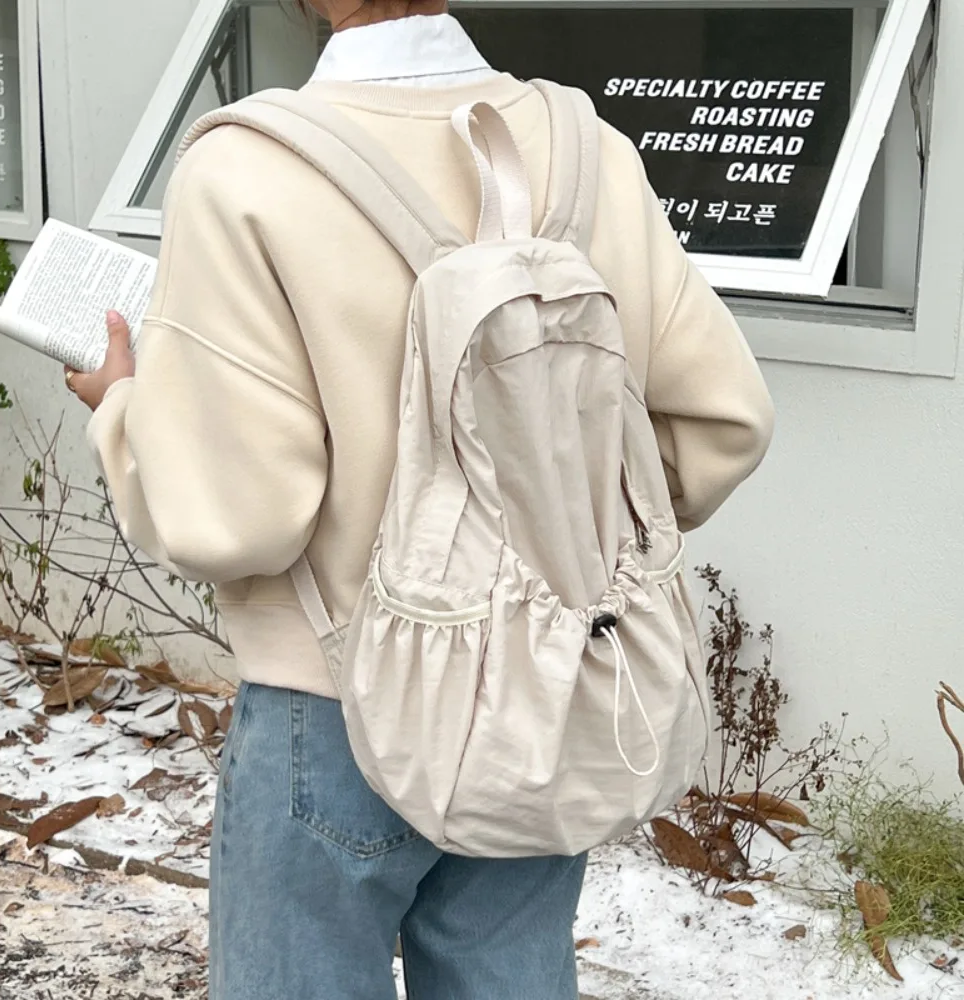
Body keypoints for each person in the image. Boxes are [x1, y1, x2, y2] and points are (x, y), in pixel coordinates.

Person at [64, 1, 774, 997]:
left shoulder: (246, 172)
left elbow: (236, 518)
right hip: (545, 683)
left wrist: (122, 408)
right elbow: (721, 423)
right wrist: (561, 520)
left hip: (334, 701)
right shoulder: (587, 152)